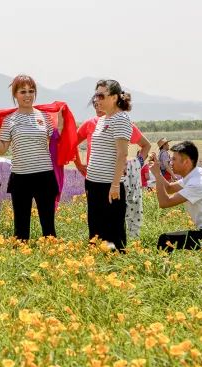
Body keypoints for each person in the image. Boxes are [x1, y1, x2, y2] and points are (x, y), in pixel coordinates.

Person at [0, 75, 63, 240]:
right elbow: (2, 149)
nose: (28, 95)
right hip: (20, 178)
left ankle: (53, 258)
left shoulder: (44, 117)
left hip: (44, 176)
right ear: (15, 95)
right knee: (21, 229)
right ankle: (21, 256)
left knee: (49, 228)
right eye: (23, 91)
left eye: (31, 91)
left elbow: (55, 141)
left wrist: (60, 122)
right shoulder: (9, 120)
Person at [83, 79, 133, 251]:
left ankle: (116, 267)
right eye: (96, 95)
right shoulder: (103, 119)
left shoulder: (121, 119)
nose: (97, 100)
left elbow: (122, 154)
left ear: (114, 97)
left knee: (112, 231)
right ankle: (98, 265)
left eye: (101, 96)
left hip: (109, 185)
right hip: (93, 183)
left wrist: (114, 185)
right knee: (96, 230)